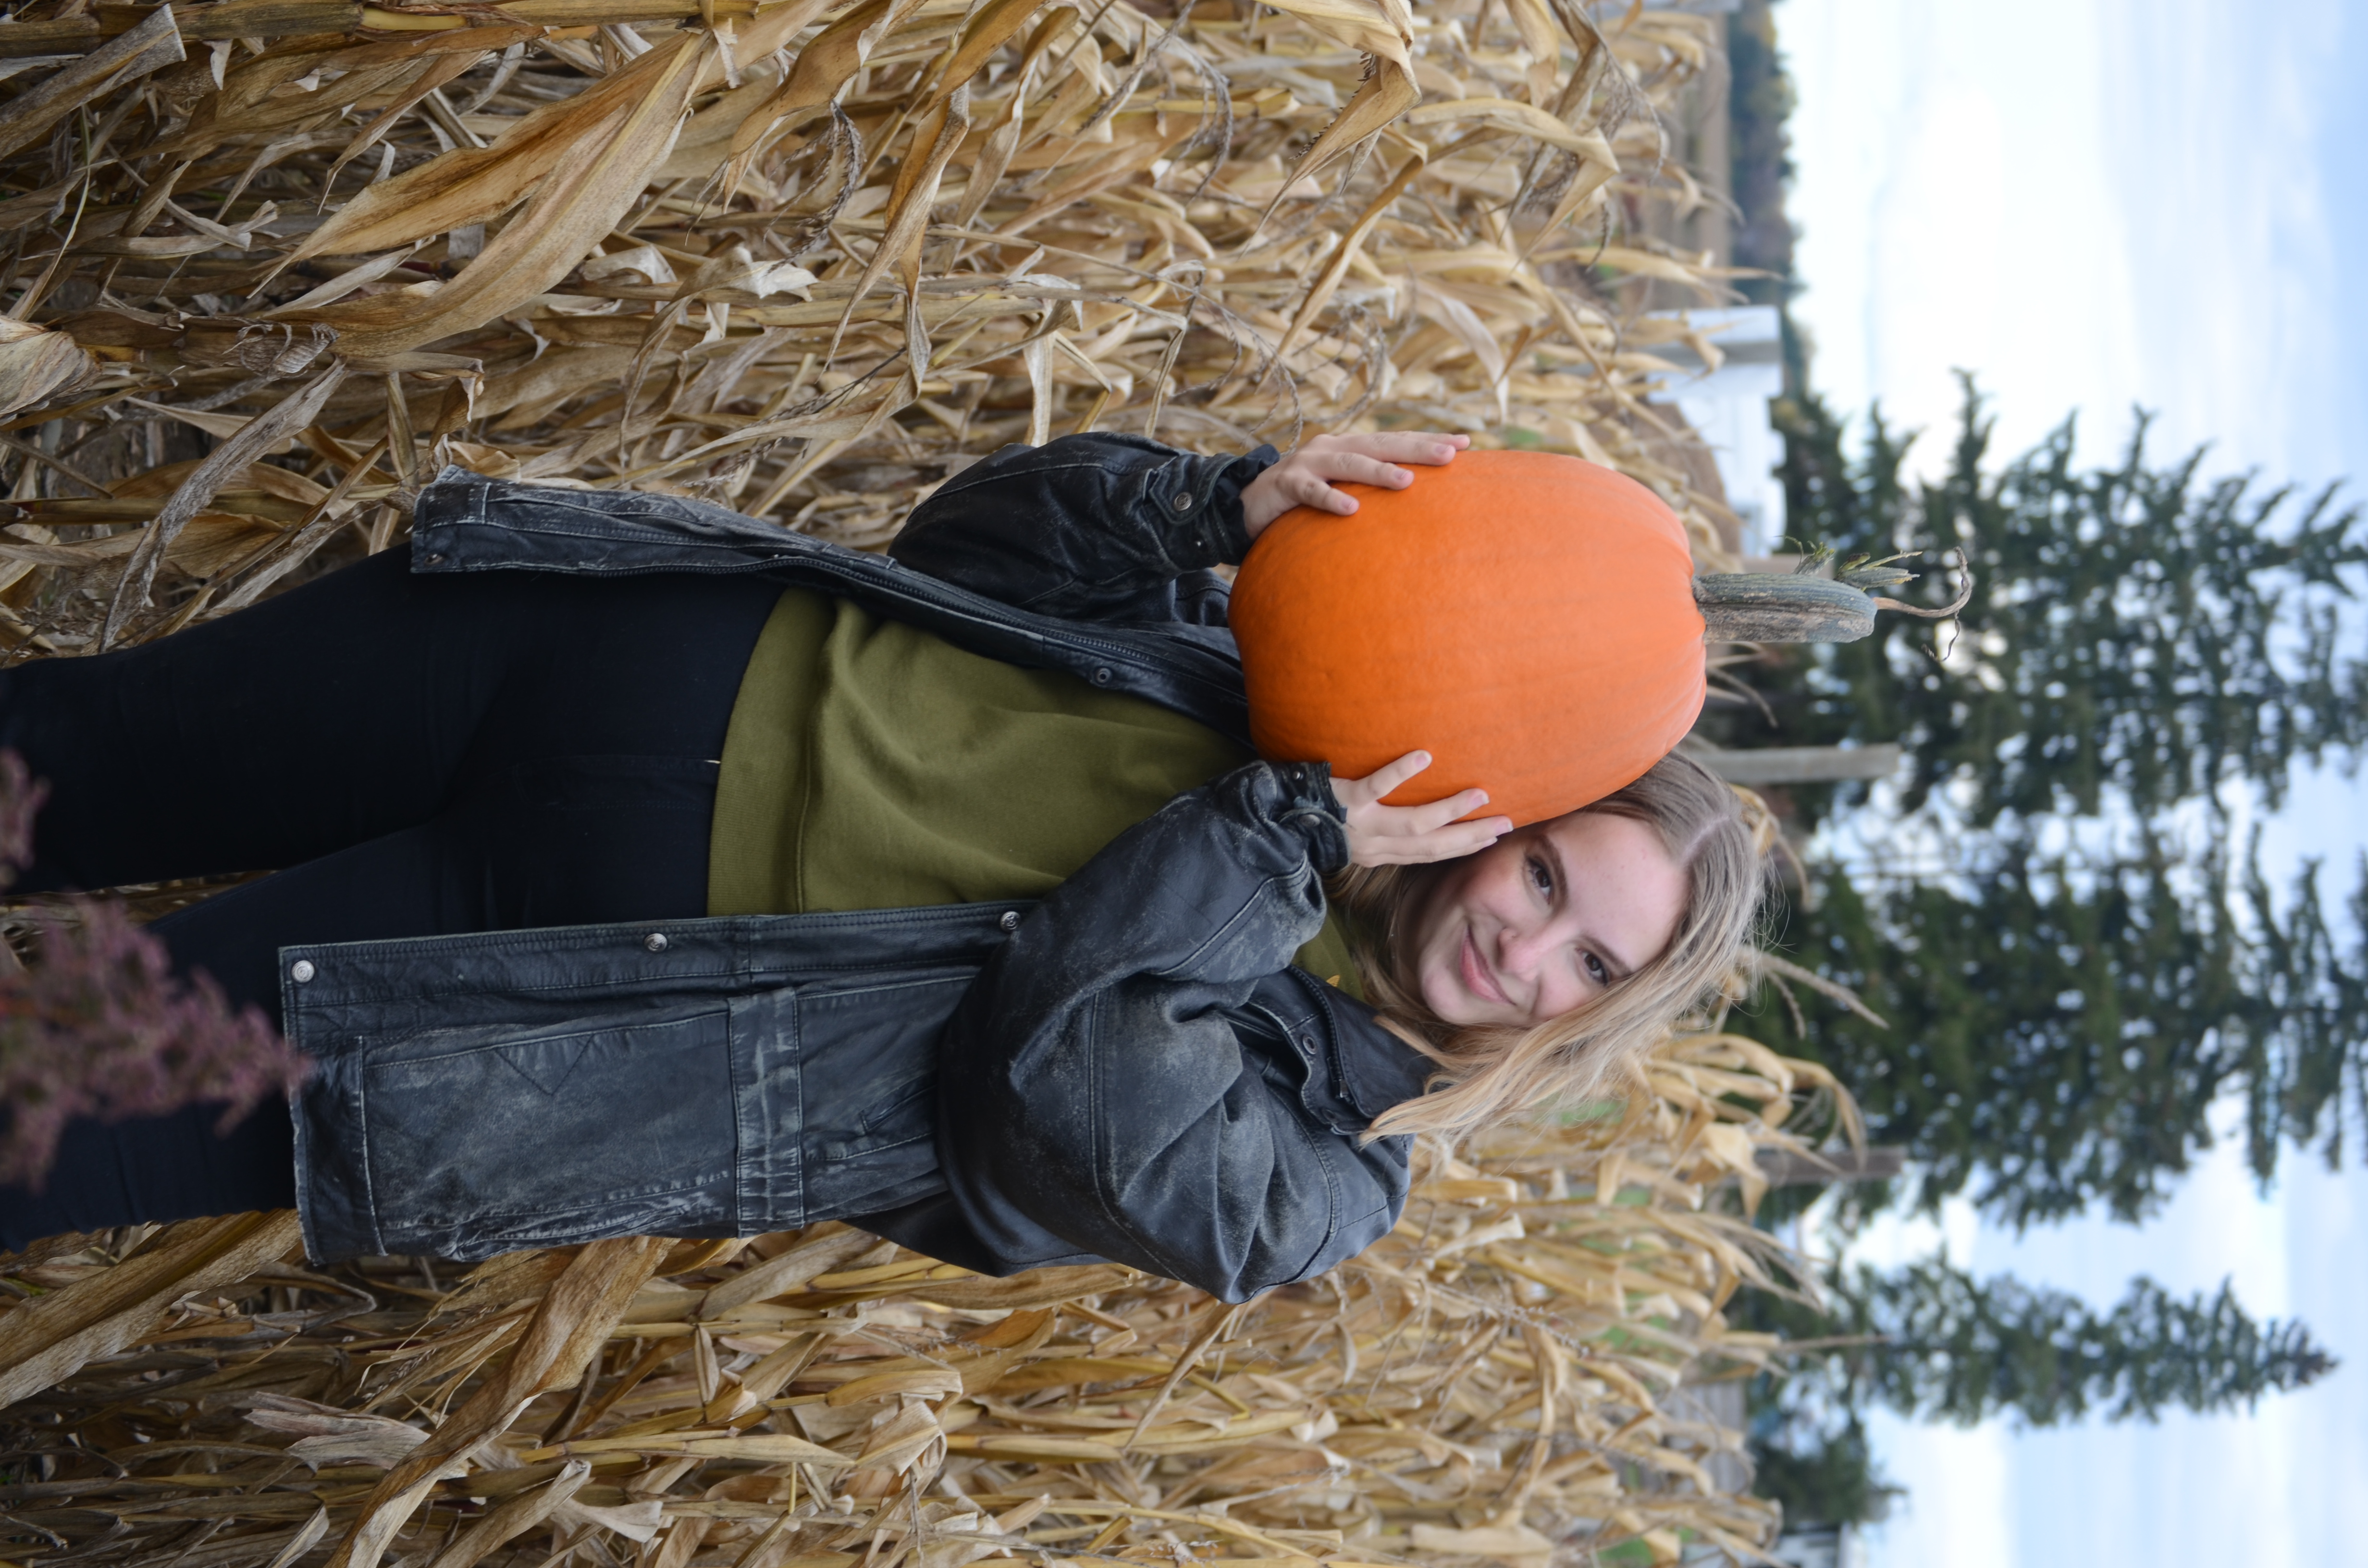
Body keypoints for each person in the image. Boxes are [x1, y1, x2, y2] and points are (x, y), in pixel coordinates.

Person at [0, 430, 1763, 1301]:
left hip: (540, 986)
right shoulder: (1301, 698)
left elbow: (1058, 1080)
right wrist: (1211, 513)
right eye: (1546, 879)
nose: (1525, 952)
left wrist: (1287, 836)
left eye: (1589, 969)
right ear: (1515, 806)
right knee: (59, 760)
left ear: (1594, 1025)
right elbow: (958, 548)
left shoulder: (1313, 1174)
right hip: (612, 651)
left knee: (46, 1091)